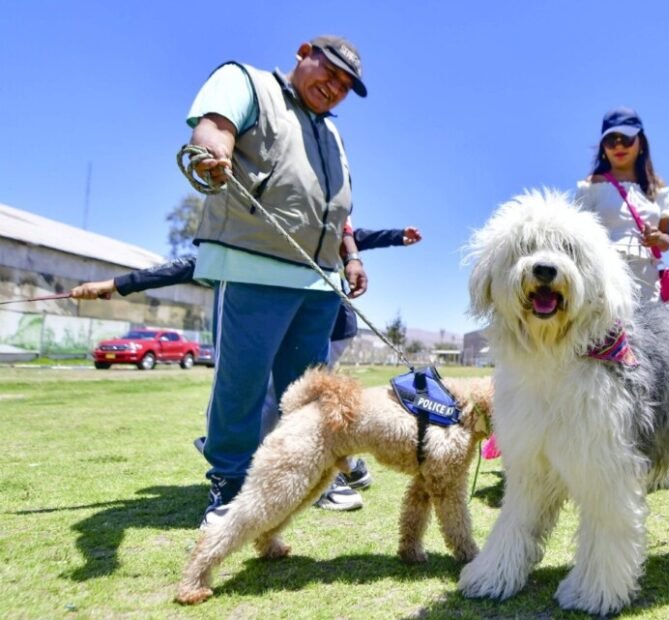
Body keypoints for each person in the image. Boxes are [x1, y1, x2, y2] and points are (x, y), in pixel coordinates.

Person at [70, 225, 422, 512]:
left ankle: (328, 475)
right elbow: (183, 267)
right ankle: (297, 466)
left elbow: (354, 235)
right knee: (265, 397)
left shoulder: (314, 234)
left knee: (296, 402)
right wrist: (116, 285)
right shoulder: (248, 250)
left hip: (329, 327)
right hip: (279, 327)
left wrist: (392, 238)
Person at [184, 35, 369, 527]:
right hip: (252, 264)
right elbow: (212, 129)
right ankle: (229, 483)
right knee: (241, 384)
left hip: (318, 281)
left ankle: (311, 476)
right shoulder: (248, 82)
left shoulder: (332, 133)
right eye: (328, 72)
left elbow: (338, 206)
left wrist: (350, 257)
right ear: (303, 52)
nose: (334, 88)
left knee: (307, 392)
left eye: (345, 85)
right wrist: (212, 155)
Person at [574, 107, 669, 495]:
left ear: (641, 140)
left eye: (626, 138)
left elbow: (667, 239)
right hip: (604, 291)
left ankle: (665, 462)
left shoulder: (658, 189)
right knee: (606, 370)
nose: (619, 146)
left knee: (659, 371)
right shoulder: (590, 186)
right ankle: (601, 454)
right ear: (603, 145)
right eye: (611, 139)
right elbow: (577, 240)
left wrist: (658, 240)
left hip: (648, 289)